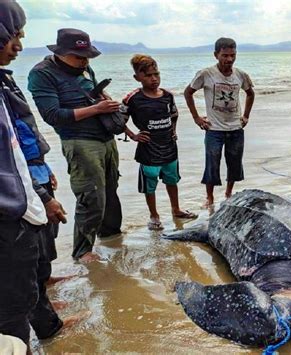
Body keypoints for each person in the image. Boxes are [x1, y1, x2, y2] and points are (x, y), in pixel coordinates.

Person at [0, 1, 83, 349]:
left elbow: (19, 146)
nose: (18, 44)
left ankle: (46, 323)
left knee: (29, 276)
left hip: (25, 196)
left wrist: (41, 184)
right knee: (12, 307)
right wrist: (42, 197)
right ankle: (43, 330)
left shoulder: (4, 83)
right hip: (12, 212)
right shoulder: (33, 76)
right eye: (14, 35)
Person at [28, 28, 123, 262]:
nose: (84, 61)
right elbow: (53, 115)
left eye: (87, 56)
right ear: (60, 52)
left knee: (110, 192)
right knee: (91, 197)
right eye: (79, 57)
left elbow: (92, 92)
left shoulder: (84, 67)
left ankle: (111, 237)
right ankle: (82, 252)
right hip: (79, 141)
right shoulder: (42, 74)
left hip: (105, 137)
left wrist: (105, 100)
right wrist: (96, 109)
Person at [123, 54, 197, 230]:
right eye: (148, 75)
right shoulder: (132, 98)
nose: (154, 79)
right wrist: (133, 135)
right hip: (148, 151)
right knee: (150, 185)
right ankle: (154, 216)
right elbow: (117, 120)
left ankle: (176, 209)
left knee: (172, 181)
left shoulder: (168, 96)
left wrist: (174, 131)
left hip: (169, 148)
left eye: (156, 74)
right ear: (137, 78)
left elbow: (174, 114)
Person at [184, 38, 255, 208]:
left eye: (232, 55)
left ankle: (229, 193)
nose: (229, 59)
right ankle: (209, 197)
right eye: (225, 55)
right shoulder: (206, 74)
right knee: (212, 163)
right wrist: (196, 118)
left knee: (234, 163)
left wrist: (245, 116)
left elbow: (250, 93)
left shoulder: (241, 75)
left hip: (235, 128)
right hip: (214, 129)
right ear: (216, 55)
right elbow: (188, 93)